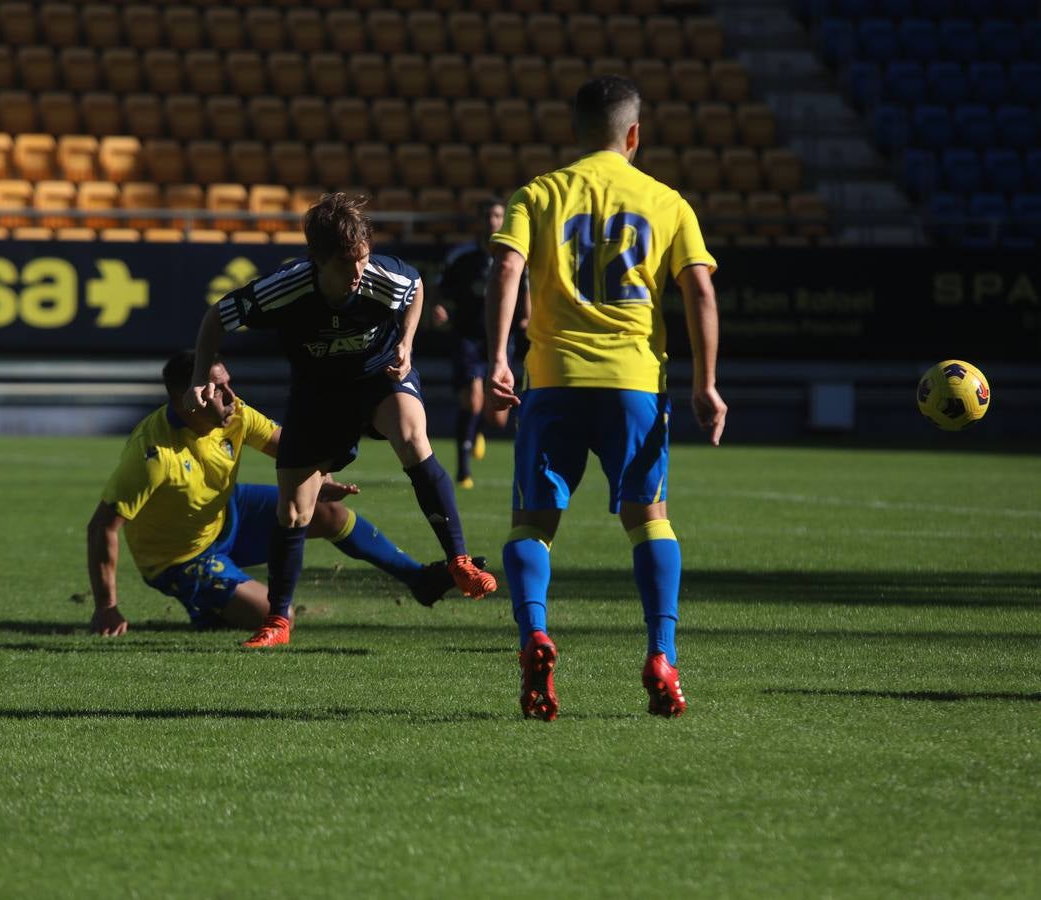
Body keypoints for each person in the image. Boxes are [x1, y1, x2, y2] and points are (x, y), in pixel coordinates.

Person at [484, 75, 727, 721]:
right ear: (635, 134)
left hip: (553, 378)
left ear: (575, 131)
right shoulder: (666, 200)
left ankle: (534, 634)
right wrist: (705, 383)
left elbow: (507, 268)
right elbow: (700, 291)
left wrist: (497, 357)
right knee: (649, 519)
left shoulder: (540, 192)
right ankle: (661, 654)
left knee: (533, 524)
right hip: (635, 385)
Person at [186, 192, 497, 648]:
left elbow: (415, 292)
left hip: (378, 378)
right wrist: (201, 373)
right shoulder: (285, 289)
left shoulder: (380, 277)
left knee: (413, 435)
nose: (358, 273)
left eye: (363, 259)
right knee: (294, 510)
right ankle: (278, 620)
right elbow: (217, 318)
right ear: (317, 259)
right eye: (346, 264)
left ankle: (459, 560)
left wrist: (407, 344)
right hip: (318, 394)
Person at [86, 351, 472, 636]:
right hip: (178, 557)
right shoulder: (154, 454)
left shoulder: (235, 414)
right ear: (189, 398)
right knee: (276, 613)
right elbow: (103, 525)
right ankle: (206, 608)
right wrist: (107, 608)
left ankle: (418, 578)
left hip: (224, 513)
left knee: (326, 514)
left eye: (228, 382)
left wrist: (317, 480)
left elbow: (293, 450)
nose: (231, 395)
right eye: (218, 388)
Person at [433, 197, 531, 489]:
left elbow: (525, 287)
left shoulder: (513, 253)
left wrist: (527, 317)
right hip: (468, 337)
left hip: (501, 339)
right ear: (480, 220)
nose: (493, 221)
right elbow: (437, 289)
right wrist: (438, 307)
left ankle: (476, 431)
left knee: (498, 418)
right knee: (473, 399)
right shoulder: (461, 257)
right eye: (488, 215)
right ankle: (463, 472)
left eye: (498, 215)